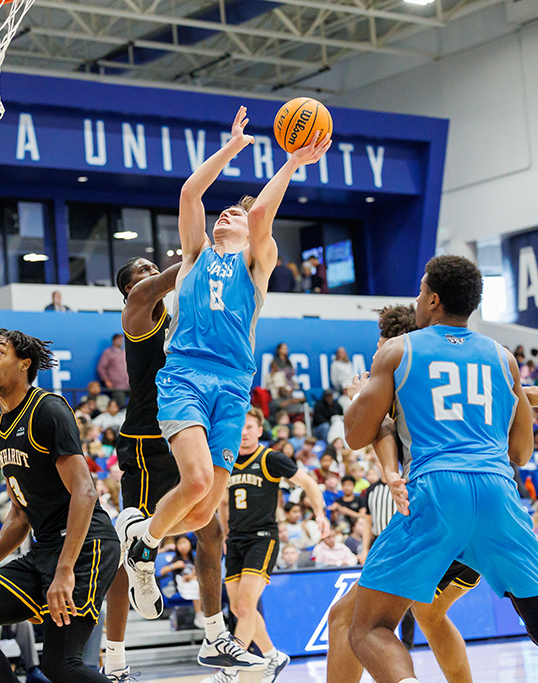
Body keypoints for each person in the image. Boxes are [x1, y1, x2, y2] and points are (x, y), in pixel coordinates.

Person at [118, 107, 329, 674]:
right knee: (195, 482)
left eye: (235, 214)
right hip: (185, 376)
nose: (226, 216)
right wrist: (233, 148)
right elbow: (191, 192)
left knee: (204, 511)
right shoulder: (194, 258)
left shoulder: (257, 264)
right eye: (223, 213)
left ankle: (143, 536)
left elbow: (260, 214)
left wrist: (291, 163)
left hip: (234, 389)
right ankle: (142, 550)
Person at [341, 256, 538, 683]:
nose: (417, 299)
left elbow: (355, 435)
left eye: (421, 291)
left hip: (437, 489)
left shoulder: (399, 350)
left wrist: (360, 396)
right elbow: (521, 453)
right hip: (498, 491)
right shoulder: (502, 357)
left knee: (368, 628)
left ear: (434, 300)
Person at [0, 328, 120, 683]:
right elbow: (20, 513)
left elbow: (85, 492)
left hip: (86, 546)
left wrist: (65, 570)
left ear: (24, 363)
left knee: (61, 664)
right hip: (45, 548)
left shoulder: (47, 409)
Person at [104, 256, 226, 683]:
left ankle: (216, 636)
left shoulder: (175, 320)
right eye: (140, 268)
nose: (150, 268)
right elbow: (185, 270)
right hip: (145, 442)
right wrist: (218, 250)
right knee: (127, 549)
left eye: (151, 264)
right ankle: (114, 661)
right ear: (129, 288)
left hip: (182, 431)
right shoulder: (138, 308)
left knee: (210, 530)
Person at [206, 407, 327, 683]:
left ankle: (231, 669)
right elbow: (223, 502)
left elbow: (308, 483)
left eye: (249, 427)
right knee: (237, 608)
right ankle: (273, 656)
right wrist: (224, 535)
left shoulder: (270, 458)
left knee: (246, 606)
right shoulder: (228, 460)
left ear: (259, 431)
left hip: (262, 538)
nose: (244, 433)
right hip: (235, 540)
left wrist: (320, 514)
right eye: (240, 428)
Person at [97, 335, 129, 406]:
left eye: (122, 340)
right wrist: (106, 380)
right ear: (114, 341)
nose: (121, 342)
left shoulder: (124, 352)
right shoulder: (108, 352)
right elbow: (101, 368)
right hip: (116, 385)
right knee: (120, 405)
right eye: (119, 340)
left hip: (127, 384)